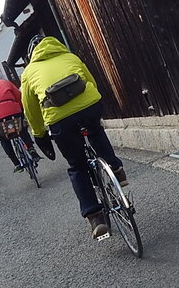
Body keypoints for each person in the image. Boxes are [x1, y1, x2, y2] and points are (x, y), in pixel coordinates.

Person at [20, 35, 128, 239]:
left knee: (77, 165)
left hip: (60, 119)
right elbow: (90, 81)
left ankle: (95, 218)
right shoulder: (70, 56)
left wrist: (39, 134)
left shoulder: (28, 72)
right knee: (96, 133)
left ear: (31, 55)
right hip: (89, 105)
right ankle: (116, 169)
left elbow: (31, 110)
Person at [0, 66, 40, 172]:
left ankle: (16, 163)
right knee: (22, 130)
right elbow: (19, 96)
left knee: (3, 138)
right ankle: (31, 150)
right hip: (14, 110)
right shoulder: (5, 82)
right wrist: (20, 109)